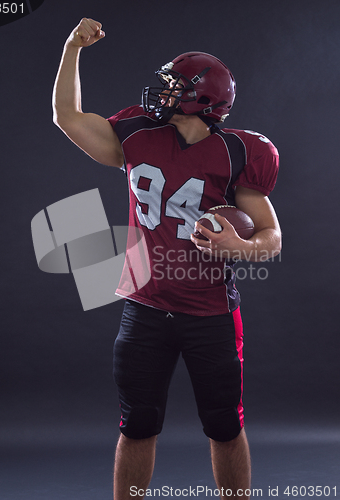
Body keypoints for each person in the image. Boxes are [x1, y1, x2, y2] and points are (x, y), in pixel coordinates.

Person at [52, 17, 282, 500]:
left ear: (204, 99)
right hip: (145, 307)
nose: (162, 92)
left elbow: (271, 237)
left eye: (175, 86)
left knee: (223, 425)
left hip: (212, 313)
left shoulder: (240, 151)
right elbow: (66, 116)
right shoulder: (136, 133)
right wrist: (73, 47)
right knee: (136, 425)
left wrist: (240, 248)